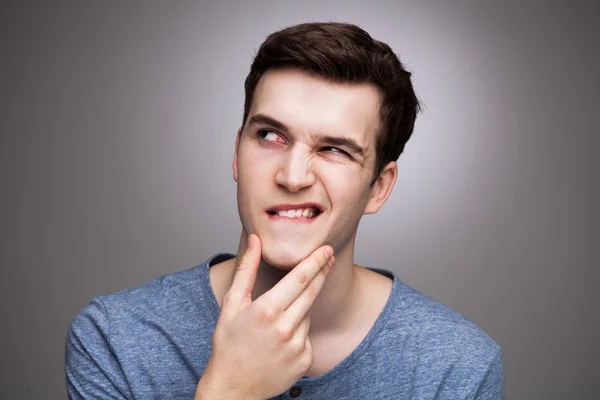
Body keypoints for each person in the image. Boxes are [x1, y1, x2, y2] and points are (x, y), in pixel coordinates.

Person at [66, 22, 503, 399]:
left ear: (378, 187)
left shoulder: (458, 366)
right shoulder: (116, 338)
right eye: (271, 136)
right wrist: (229, 389)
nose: (293, 177)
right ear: (237, 153)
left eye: (334, 149)